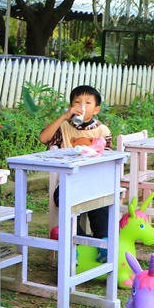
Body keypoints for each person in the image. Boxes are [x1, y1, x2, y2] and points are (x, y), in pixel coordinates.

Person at [38, 84, 114, 262]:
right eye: (77, 102)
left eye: (88, 102)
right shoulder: (64, 126)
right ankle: (77, 242)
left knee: (102, 204)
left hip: (94, 180)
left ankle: (102, 243)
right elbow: (44, 138)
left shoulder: (102, 130)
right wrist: (65, 116)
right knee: (63, 199)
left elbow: (108, 158)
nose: (82, 106)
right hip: (69, 182)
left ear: (96, 109)